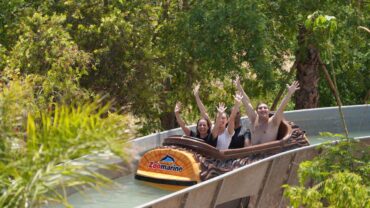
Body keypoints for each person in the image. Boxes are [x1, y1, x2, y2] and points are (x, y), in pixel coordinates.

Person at [234, 77, 300, 145]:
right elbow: (247, 103)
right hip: (253, 152)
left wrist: (289, 93)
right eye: (260, 108)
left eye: (265, 108)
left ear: (268, 111)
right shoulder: (254, 120)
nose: (263, 109)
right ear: (256, 111)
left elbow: (281, 107)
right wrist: (239, 87)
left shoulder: (273, 121)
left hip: (268, 152)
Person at [193, 83, 243, 150]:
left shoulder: (228, 131)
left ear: (226, 121)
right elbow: (204, 112)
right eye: (219, 117)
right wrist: (196, 96)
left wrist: (237, 104)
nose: (221, 120)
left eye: (223, 118)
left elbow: (232, 118)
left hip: (221, 158)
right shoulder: (213, 127)